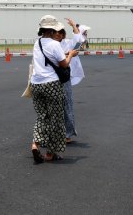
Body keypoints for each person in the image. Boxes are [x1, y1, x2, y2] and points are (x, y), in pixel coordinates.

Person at [30, 15, 78, 163]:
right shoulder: (54, 44)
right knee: (56, 119)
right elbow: (64, 65)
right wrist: (70, 55)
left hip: (36, 84)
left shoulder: (37, 43)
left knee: (42, 117)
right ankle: (50, 154)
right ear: (51, 31)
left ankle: (35, 144)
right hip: (51, 84)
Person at [56, 18, 86, 143]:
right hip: (50, 78)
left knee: (66, 105)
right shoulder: (49, 44)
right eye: (54, 33)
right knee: (53, 107)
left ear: (63, 34)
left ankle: (67, 134)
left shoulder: (67, 43)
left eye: (59, 33)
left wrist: (74, 26)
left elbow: (78, 42)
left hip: (64, 77)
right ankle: (53, 133)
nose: (57, 35)